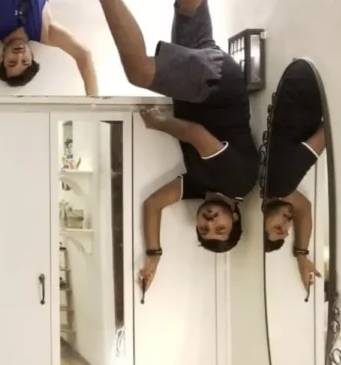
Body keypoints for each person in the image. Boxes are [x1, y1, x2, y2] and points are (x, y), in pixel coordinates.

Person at [97, 0, 258, 291]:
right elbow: (196, 134)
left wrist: (154, 255)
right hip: (214, 86)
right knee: (138, 71)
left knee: (187, 7)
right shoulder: (238, 182)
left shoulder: (202, 188)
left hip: (202, 83)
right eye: (220, 227)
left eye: (204, 230)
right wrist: (159, 123)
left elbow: (153, 205)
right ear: (235, 216)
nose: (210, 222)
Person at [262, 59, 325, 289]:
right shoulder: (264, 187)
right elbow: (304, 208)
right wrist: (301, 255)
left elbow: (327, 133)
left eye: (278, 228)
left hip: (311, 80)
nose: (287, 225)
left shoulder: (280, 184)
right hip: (296, 75)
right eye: (286, 231)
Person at [0, 0, 97, 95]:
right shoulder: (46, 32)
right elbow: (83, 54)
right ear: (32, 56)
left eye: (12, 62)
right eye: (25, 61)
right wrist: (94, 107)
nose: (19, 55)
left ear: (2, 57)